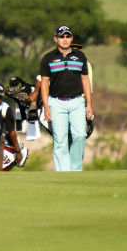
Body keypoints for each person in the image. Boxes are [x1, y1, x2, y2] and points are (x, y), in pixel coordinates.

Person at [39, 25, 94, 172]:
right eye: (61, 36)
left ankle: (75, 169)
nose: (65, 39)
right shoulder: (48, 58)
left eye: (67, 36)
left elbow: (85, 81)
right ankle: (63, 172)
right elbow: (44, 83)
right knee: (60, 139)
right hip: (56, 103)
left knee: (80, 136)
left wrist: (88, 104)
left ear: (72, 38)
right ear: (55, 39)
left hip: (77, 102)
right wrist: (46, 106)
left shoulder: (80, 56)